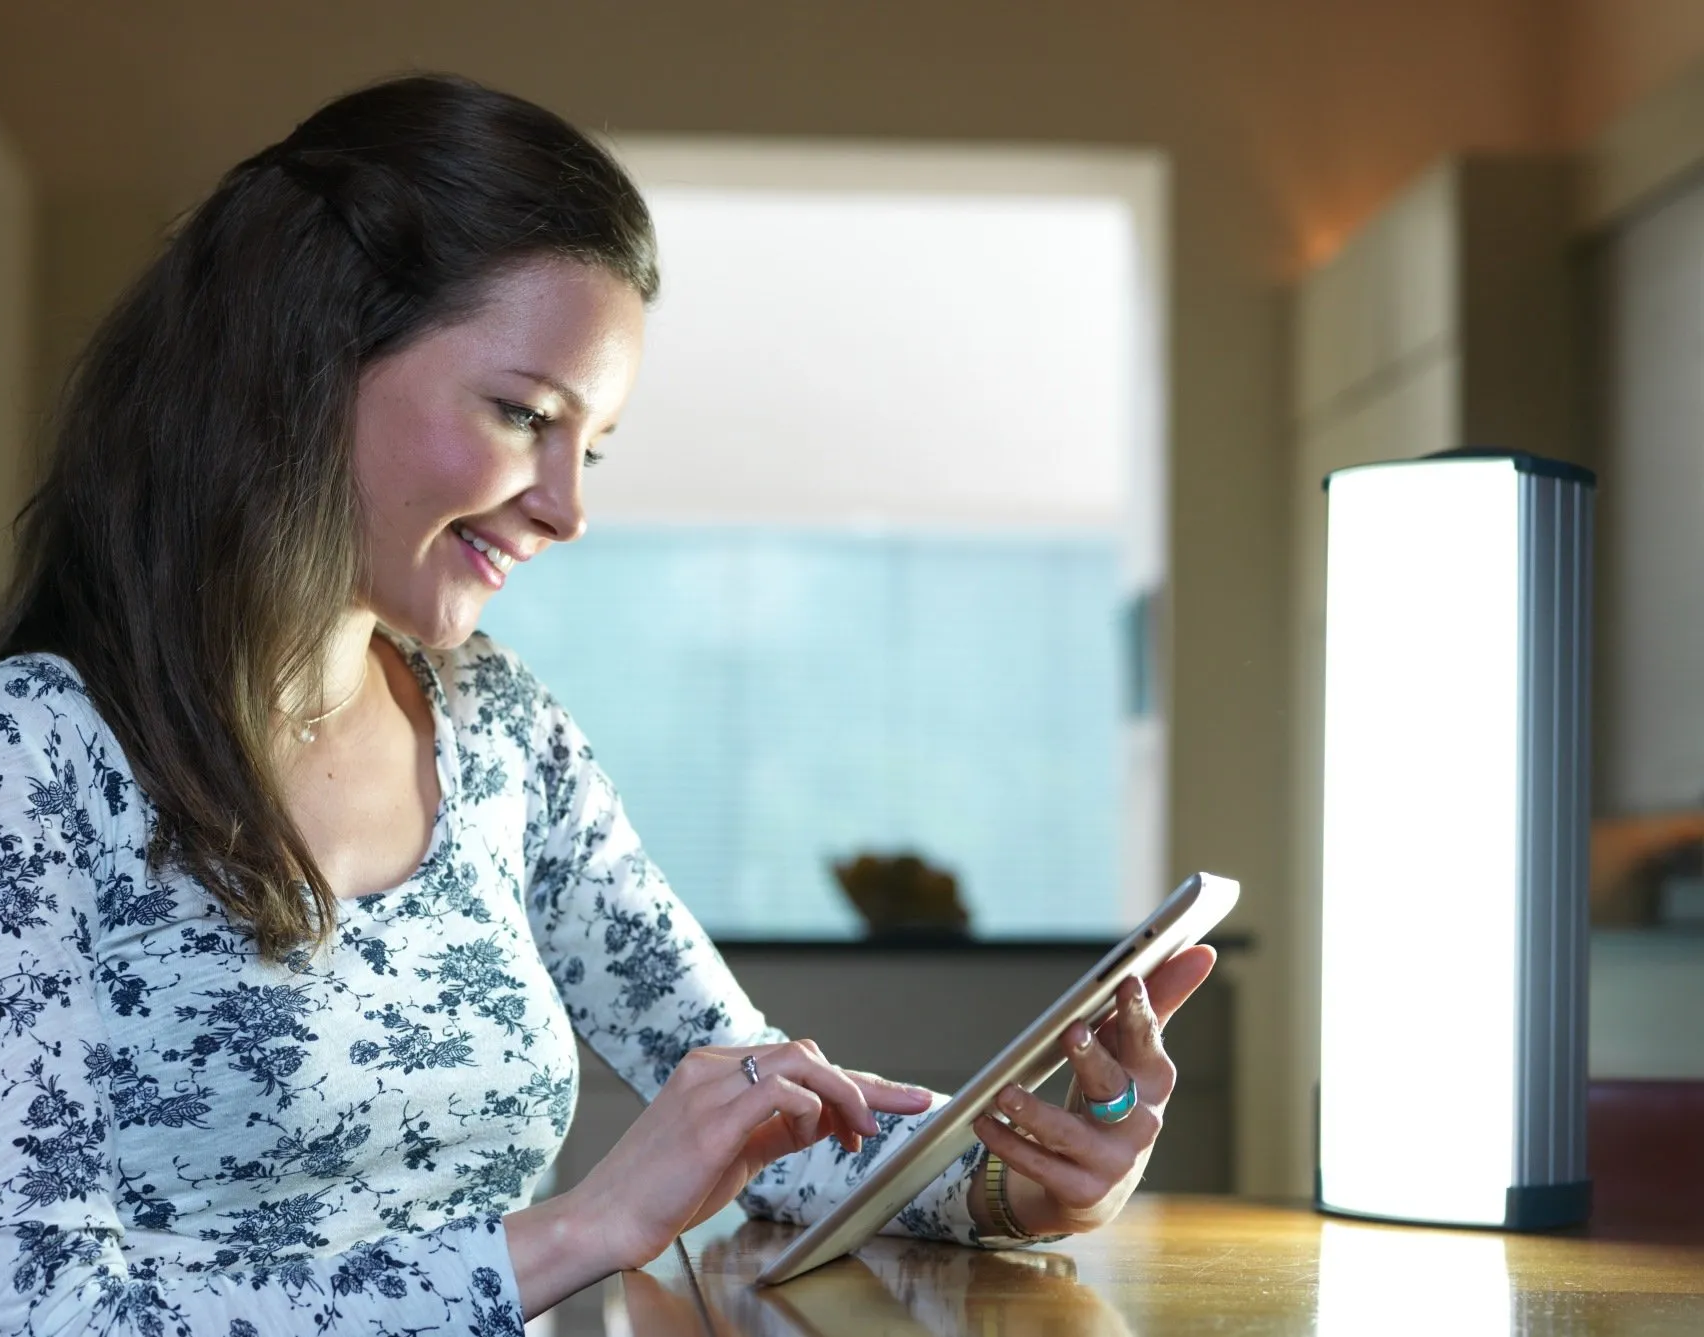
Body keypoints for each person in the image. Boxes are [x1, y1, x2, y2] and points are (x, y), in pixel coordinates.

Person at [0, 74, 1216, 1334]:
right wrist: (580, 1228)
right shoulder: (41, 756)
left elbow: (769, 1121)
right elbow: (38, 1298)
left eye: (593, 446)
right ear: (307, 357)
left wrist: (1011, 1175)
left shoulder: (500, 736)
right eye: (524, 414)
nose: (566, 507)